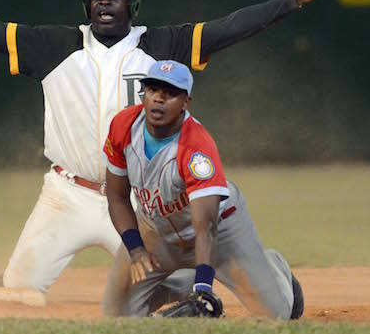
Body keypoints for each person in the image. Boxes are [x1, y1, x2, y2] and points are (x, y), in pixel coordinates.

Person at [0, 0, 338, 294]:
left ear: (132, 4)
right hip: (65, 196)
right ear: (86, 4)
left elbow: (228, 28)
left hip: (137, 199)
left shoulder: (164, 44)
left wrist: (292, 1)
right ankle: (15, 274)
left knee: (176, 296)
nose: (105, 2)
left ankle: (276, 279)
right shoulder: (52, 46)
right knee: (17, 294)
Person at [102, 60, 303, 319]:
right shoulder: (124, 126)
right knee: (116, 312)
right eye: (152, 89)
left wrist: (204, 287)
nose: (158, 100)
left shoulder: (197, 148)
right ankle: (183, 283)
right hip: (155, 228)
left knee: (276, 316)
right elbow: (116, 196)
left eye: (170, 93)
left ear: (186, 102)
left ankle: (273, 266)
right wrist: (136, 249)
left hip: (220, 232)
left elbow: (204, 227)